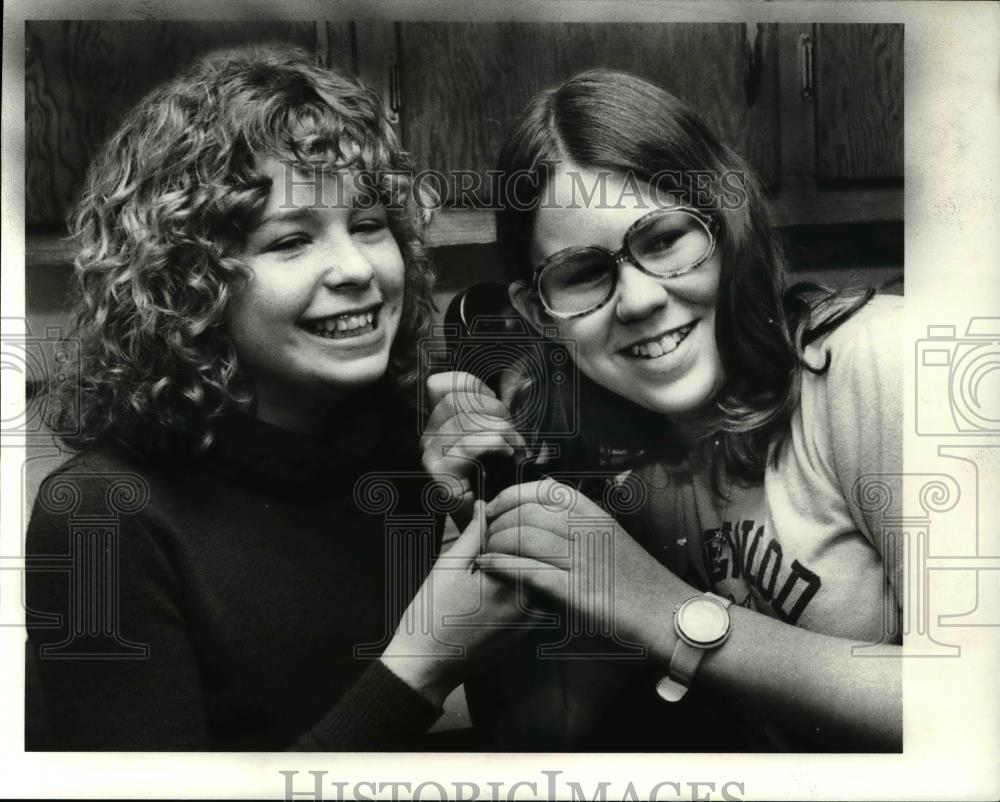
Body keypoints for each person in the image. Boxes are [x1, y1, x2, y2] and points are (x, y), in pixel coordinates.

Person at [25, 44, 524, 750]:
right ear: (188, 282)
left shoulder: (400, 447)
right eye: (290, 240)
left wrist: (474, 505)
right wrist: (424, 664)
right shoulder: (100, 522)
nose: (355, 269)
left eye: (369, 224)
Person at [421, 69, 903, 751]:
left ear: (725, 225)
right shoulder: (629, 459)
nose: (641, 299)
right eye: (584, 274)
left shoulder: (873, 358)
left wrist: (664, 608)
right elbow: (544, 728)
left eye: (664, 239)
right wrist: (489, 514)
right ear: (539, 311)